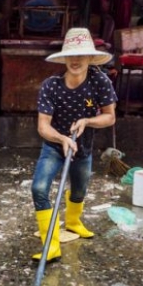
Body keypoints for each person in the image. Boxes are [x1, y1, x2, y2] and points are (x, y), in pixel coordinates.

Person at [30, 28, 117, 262]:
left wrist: (87, 121)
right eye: (71, 55)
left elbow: (110, 116)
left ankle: (73, 222)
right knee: (39, 188)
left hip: (84, 146)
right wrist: (62, 138)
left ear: (90, 58)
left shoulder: (100, 81)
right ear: (64, 58)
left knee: (79, 189)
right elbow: (43, 127)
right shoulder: (51, 85)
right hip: (54, 145)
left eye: (81, 55)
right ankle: (52, 245)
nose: (76, 60)